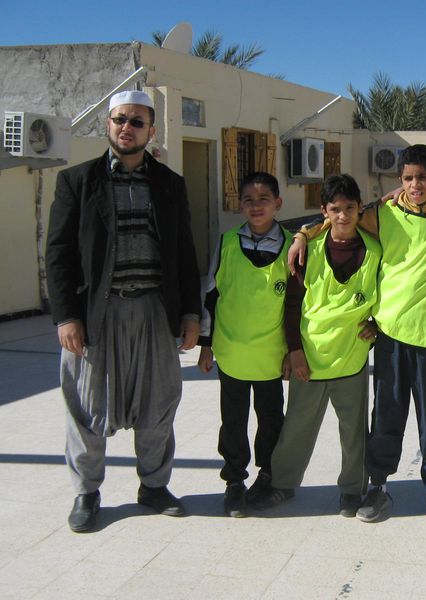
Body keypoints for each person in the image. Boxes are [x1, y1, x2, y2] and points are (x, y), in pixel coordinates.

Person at [290, 145, 426, 526]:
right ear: (400, 180)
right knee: (386, 416)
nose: (415, 185)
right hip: (390, 337)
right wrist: (302, 233)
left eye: (423, 178)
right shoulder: (385, 213)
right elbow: (340, 218)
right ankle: (378, 486)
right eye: (408, 178)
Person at [46, 90, 201, 532]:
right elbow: (57, 253)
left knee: (159, 402)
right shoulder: (77, 181)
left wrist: (191, 313)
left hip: (154, 310)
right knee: (86, 405)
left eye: (136, 122)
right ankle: (86, 492)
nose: (126, 128)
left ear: (151, 130)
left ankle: (153, 486)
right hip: (98, 313)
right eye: (119, 120)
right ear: (108, 124)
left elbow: (184, 251)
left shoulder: (169, 184)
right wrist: (66, 316)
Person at [259, 174, 381, 517]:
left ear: (360, 208)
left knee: (354, 431)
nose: (343, 215)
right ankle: (282, 484)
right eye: (335, 209)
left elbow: (386, 296)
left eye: (349, 208)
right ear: (324, 211)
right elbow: (292, 304)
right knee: (297, 426)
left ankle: (352, 490)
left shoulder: (374, 251)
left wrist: (378, 325)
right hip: (309, 359)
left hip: (351, 356)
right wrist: (294, 350)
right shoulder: (307, 250)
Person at [197, 172, 289, 517]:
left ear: (278, 203)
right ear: (240, 206)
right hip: (232, 352)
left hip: (271, 355)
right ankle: (234, 480)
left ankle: (268, 475)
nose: (256, 206)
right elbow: (211, 295)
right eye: (248, 200)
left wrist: (294, 352)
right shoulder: (227, 243)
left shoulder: (294, 246)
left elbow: (300, 304)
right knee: (233, 421)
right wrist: (206, 345)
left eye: (264, 199)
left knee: (271, 419)